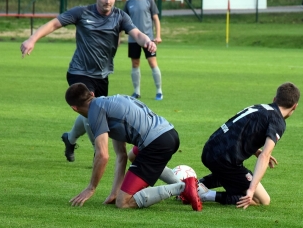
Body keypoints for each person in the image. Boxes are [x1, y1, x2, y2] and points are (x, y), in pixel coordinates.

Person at [20, 0, 158, 163]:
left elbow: (137, 34)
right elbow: (54, 24)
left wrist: (147, 41)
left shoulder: (120, 16)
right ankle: (98, 152)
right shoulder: (82, 12)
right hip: (79, 72)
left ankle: (70, 138)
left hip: (102, 74)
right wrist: (32, 39)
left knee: (91, 112)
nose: (107, 1)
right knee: (93, 109)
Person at [64, 82, 202, 211]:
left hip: (156, 144)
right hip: (169, 133)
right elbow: (121, 155)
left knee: (123, 202)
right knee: (132, 156)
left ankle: (183, 187)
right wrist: (114, 193)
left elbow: (103, 155)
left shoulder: (95, 113)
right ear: (92, 94)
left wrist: (91, 188)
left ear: (74, 108)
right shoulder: (108, 103)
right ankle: (188, 188)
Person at [197, 82, 300, 209]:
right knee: (262, 200)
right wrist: (251, 190)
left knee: (231, 177)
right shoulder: (278, 121)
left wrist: (255, 151)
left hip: (210, 149)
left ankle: (195, 185)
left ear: (274, 99)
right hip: (224, 160)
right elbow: (265, 156)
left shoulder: (260, 107)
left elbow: (238, 131)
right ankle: (205, 195)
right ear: (295, 106)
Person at [123, 0, 163, 101]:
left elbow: (156, 19)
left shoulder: (149, 1)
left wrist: (158, 35)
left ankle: (159, 91)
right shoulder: (129, 3)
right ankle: (136, 91)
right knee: (135, 64)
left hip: (148, 39)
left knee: (152, 63)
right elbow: (123, 21)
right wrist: (118, 37)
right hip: (133, 39)